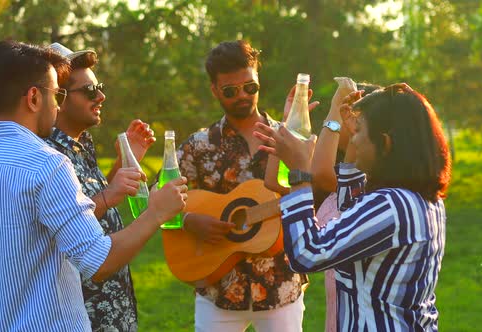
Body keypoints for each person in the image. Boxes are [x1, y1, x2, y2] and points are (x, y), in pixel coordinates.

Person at [0, 40, 187, 332]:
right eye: (56, 94)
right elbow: (99, 260)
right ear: (33, 98)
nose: (57, 105)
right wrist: (155, 213)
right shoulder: (47, 164)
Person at [254, 83, 451, 331]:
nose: (353, 140)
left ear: (385, 143)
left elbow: (307, 254)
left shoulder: (392, 206)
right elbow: (350, 209)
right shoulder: (419, 199)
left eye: (359, 133)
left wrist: (299, 171)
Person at [177, 40, 308, 332]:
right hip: (217, 287)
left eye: (250, 87)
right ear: (214, 90)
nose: (242, 96)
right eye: (230, 91)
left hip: (280, 285)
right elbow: (158, 203)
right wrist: (187, 221)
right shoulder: (197, 146)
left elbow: (308, 195)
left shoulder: (288, 140)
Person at [46, 42, 155, 331]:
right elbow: (62, 221)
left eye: (100, 86)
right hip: (84, 313)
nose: (102, 96)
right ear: (59, 97)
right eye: (91, 91)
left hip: (113, 306)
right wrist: (111, 195)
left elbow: (89, 200)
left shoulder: (81, 143)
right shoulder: (48, 154)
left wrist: (124, 161)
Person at [311, 80, 381, 332]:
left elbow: (319, 172)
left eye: (347, 114)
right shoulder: (348, 170)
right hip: (343, 307)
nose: (338, 122)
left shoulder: (363, 178)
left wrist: (333, 107)